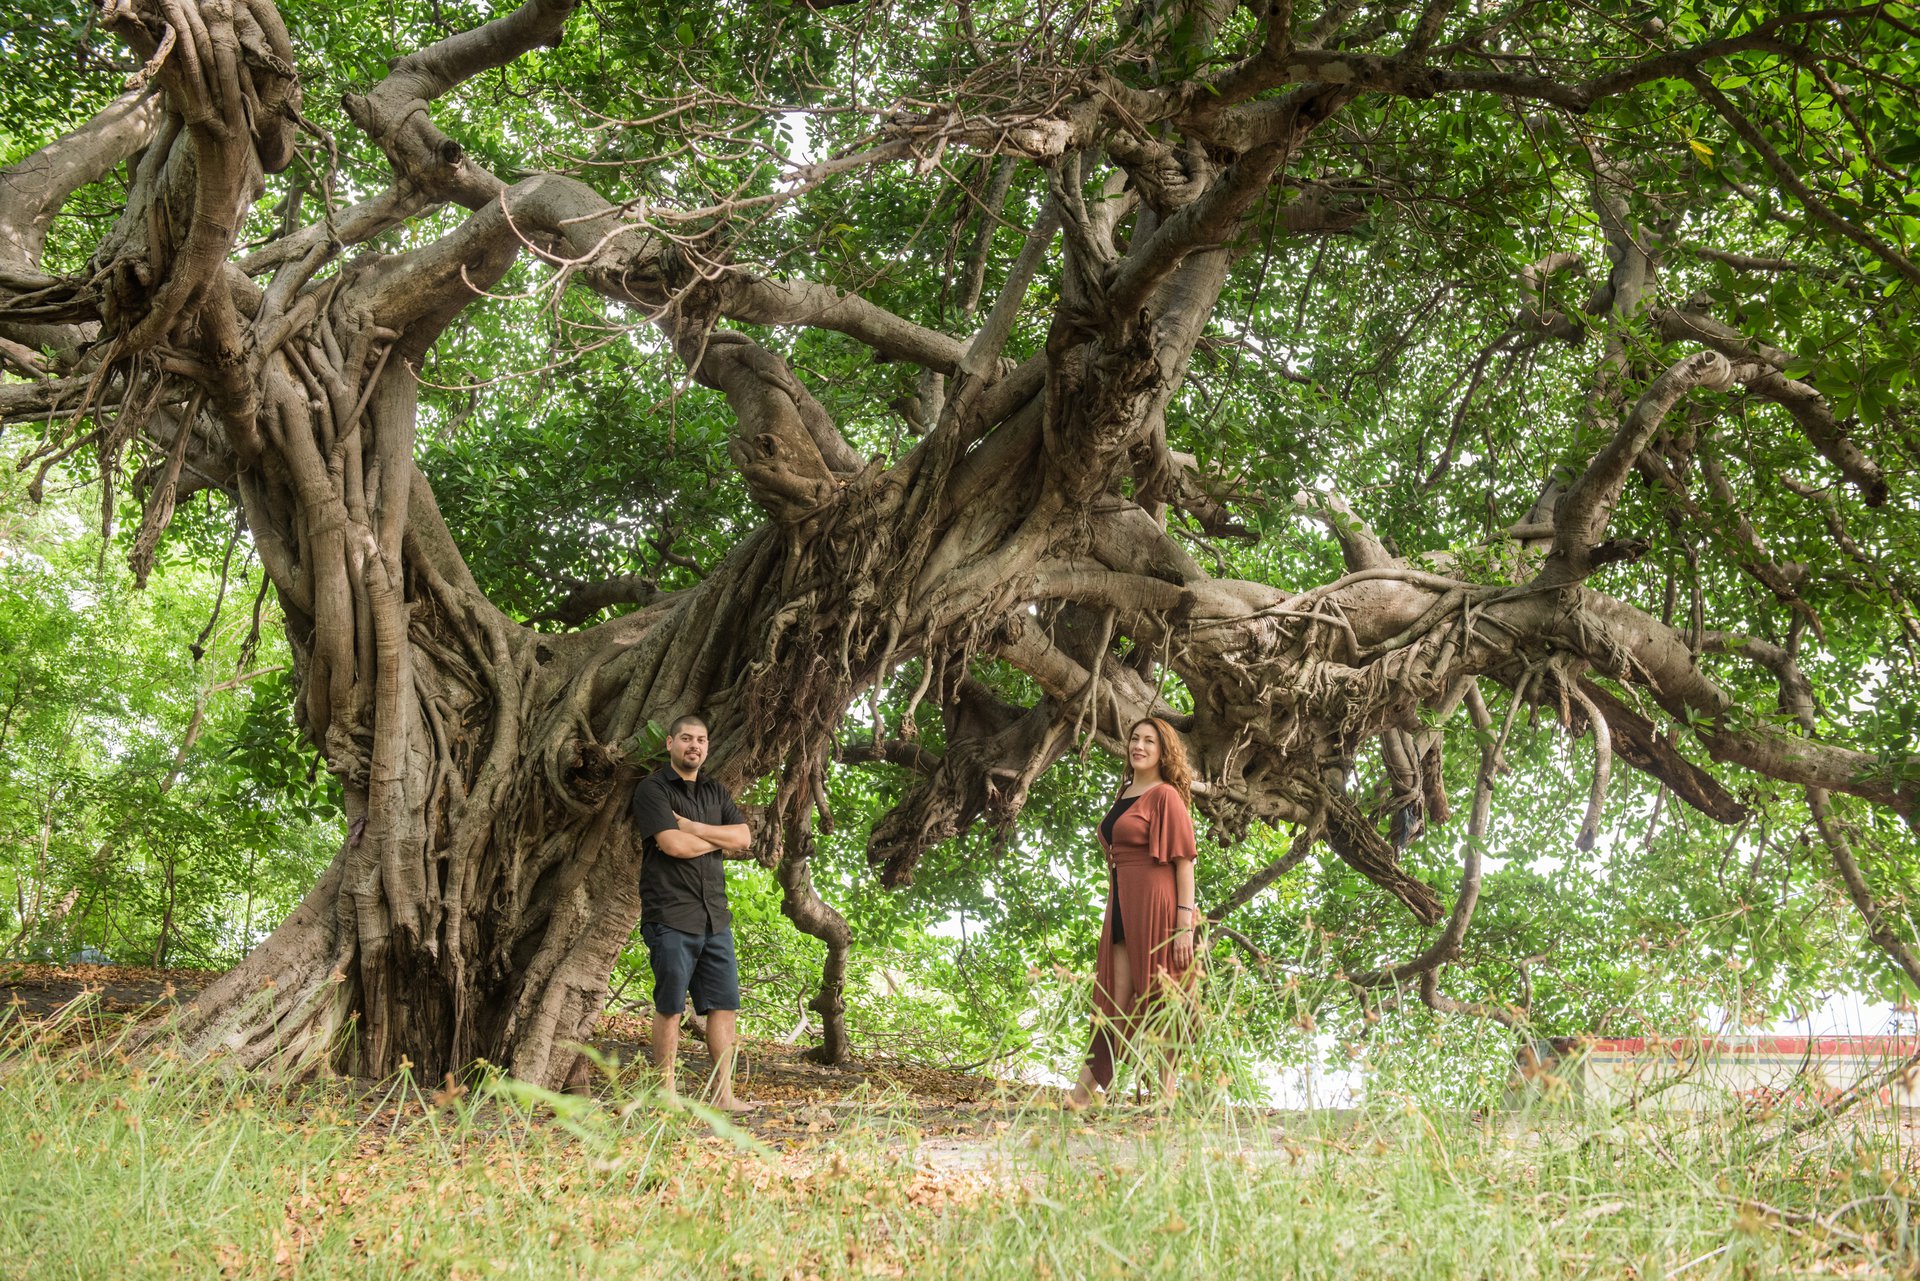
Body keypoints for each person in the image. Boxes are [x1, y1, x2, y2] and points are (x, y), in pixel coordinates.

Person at [1065, 716, 1201, 1110]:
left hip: (1160, 906)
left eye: (1149, 741)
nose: (1139, 746)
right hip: (1123, 904)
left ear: (1163, 751)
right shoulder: (1125, 791)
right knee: (1113, 998)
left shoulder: (1165, 796)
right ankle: (1083, 1095)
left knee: (1163, 995)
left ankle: (1165, 1097)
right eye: (1135, 739)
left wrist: (1183, 927)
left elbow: (1185, 864)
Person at [631, 713, 757, 1112]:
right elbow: (673, 846)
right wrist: (715, 838)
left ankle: (724, 1096)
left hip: (714, 918)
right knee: (670, 1005)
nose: (695, 746)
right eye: (686, 738)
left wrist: (694, 828)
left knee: (724, 1005)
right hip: (670, 915)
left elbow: (744, 837)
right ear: (670, 743)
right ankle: (666, 1095)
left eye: (701, 740)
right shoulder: (652, 790)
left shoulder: (715, 791)